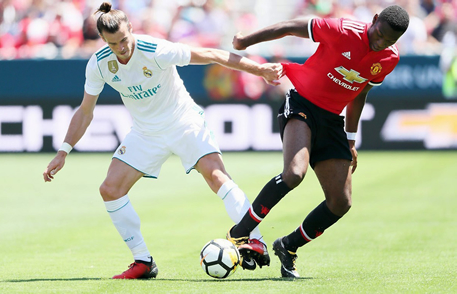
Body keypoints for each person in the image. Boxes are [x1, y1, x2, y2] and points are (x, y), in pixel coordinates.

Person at [42, 2, 282, 279]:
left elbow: (213, 54)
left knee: (216, 176)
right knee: (110, 189)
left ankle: (256, 239)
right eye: (113, 44)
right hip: (146, 132)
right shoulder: (98, 65)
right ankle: (143, 261)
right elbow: (85, 111)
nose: (121, 48)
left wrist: (260, 70)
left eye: (124, 39)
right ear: (103, 41)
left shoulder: (155, 49)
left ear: (131, 29)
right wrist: (63, 151)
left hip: (183, 121)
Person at [226, 5, 409, 278]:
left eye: (389, 41)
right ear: (373, 21)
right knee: (294, 173)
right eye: (379, 34)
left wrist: (350, 139)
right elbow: (288, 26)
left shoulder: (388, 59)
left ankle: (288, 246)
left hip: (333, 120)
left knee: (340, 202)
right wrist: (245, 41)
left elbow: (360, 93)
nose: (379, 42)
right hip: (302, 102)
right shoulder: (342, 30)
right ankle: (239, 233)